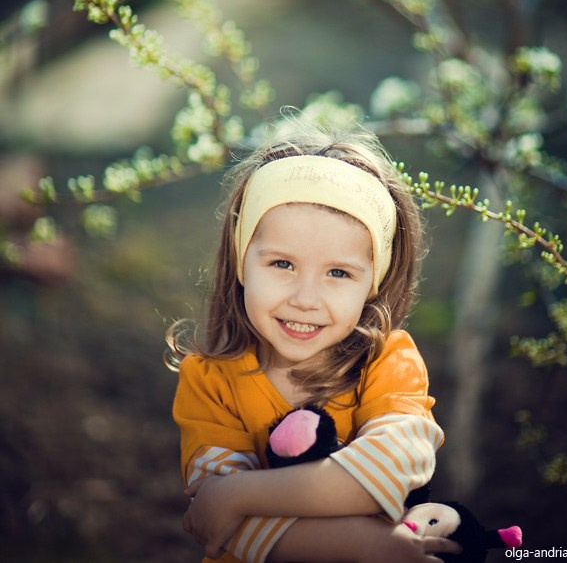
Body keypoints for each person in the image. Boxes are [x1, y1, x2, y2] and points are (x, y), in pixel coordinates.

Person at [167, 122, 460, 563]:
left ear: (373, 285)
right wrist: (370, 544)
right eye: (282, 263)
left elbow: (393, 468)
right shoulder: (210, 380)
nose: (305, 299)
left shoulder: (387, 362)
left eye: (338, 273)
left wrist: (241, 492)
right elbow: (222, 526)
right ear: (242, 262)